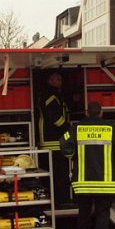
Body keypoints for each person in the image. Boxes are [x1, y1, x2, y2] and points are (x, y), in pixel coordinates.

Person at [61, 101, 115, 229]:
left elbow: (63, 144)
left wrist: (74, 157)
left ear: (87, 113)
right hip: (106, 183)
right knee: (102, 216)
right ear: (101, 113)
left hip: (83, 183)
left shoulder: (76, 129)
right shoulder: (112, 129)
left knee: (83, 215)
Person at [37, 72, 72, 204]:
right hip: (54, 141)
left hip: (50, 141)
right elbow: (55, 118)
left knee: (54, 174)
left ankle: (55, 199)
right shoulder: (51, 97)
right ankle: (63, 200)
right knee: (60, 173)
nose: (60, 81)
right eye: (57, 79)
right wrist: (69, 128)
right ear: (50, 80)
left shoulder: (51, 95)